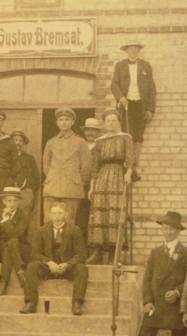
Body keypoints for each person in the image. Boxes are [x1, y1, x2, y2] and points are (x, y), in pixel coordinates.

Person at [118, 212, 187, 336]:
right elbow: (147, 279)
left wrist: (177, 292)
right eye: (165, 229)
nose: (167, 232)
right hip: (156, 306)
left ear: (178, 231)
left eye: (171, 229)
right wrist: (148, 301)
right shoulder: (155, 252)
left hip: (175, 306)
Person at [21, 201, 88, 316]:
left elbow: (81, 254)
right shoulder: (41, 230)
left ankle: (77, 303)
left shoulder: (74, 230)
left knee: (82, 268)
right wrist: (49, 262)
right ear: (50, 215)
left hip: (67, 269)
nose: (57, 217)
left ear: (66, 215)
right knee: (32, 267)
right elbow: (35, 253)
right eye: (54, 213)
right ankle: (30, 302)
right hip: (48, 269)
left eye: (60, 213)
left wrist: (68, 264)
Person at [86, 108, 135, 264]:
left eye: (114, 120)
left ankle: (114, 253)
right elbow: (95, 166)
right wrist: (92, 187)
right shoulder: (99, 141)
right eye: (108, 121)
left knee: (115, 212)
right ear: (104, 123)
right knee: (99, 212)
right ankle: (98, 252)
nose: (111, 123)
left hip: (118, 176)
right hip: (102, 177)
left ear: (118, 122)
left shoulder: (125, 138)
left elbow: (131, 158)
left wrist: (128, 173)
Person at [110, 41, 156, 175]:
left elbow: (152, 88)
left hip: (141, 105)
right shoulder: (120, 66)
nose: (134, 51)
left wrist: (150, 109)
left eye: (136, 49)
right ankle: (126, 165)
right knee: (127, 134)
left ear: (139, 51)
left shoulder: (146, 66)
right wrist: (120, 97)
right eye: (131, 49)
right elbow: (114, 85)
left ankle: (133, 168)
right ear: (126, 51)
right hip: (127, 104)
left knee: (138, 136)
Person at [41, 106, 92, 224]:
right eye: (61, 120)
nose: (64, 122)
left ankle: (66, 243)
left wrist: (77, 181)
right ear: (57, 123)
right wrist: (53, 177)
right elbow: (46, 166)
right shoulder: (51, 142)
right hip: (52, 186)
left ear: (72, 122)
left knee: (69, 221)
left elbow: (86, 167)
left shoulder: (80, 142)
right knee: (48, 220)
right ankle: (51, 243)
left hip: (71, 187)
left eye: (67, 119)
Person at [0, 186, 31, 295]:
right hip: (1, 249)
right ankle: (20, 272)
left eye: (15, 201)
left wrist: (5, 220)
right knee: (7, 247)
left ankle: (3, 283)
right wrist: (3, 218)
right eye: (9, 201)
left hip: (19, 249)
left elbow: (16, 234)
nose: (12, 204)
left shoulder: (23, 215)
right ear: (4, 201)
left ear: (19, 202)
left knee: (12, 242)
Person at [78, 118, 103, 240]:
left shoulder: (101, 146)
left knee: (94, 217)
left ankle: (93, 248)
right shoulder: (79, 145)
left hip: (96, 185)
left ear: (98, 132)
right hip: (79, 185)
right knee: (80, 217)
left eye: (93, 130)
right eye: (88, 130)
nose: (90, 133)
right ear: (84, 131)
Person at [10, 129, 40, 218]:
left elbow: (36, 177)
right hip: (9, 192)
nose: (17, 142)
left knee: (24, 216)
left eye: (20, 140)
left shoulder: (29, 158)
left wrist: (29, 186)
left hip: (25, 192)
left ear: (23, 143)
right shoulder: (5, 158)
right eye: (15, 140)